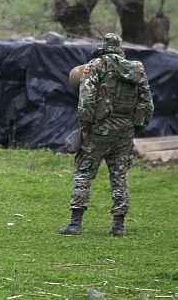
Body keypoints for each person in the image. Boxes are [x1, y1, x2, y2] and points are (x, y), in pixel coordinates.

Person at [59, 33, 153, 237]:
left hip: (98, 130)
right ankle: (118, 226)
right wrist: (136, 128)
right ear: (120, 48)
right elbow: (147, 103)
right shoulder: (136, 69)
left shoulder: (95, 66)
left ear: (104, 46)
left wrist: (85, 127)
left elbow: (87, 99)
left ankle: (75, 224)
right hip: (124, 131)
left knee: (84, 173)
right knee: (120, 177)